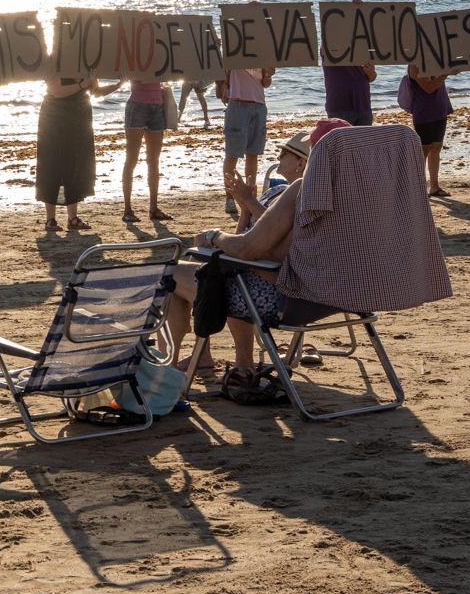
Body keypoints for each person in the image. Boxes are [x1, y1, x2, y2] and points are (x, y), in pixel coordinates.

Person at [167, 118, 348, 379]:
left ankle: (171, 365)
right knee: (224, 274)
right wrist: (246, 208)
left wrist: (213, 236)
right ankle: (223, 359)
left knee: (178, 274)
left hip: (289, 298)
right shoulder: (362, 195)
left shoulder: (302, 191)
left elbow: (251, 249)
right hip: (341, 294)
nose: (279, 156)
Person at [36, 75, 120, 233]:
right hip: (54, 115)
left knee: (76, 163)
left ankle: (72, 217)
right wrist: (83, 84)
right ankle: (50, 219)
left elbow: (94, 91)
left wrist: (118, 85)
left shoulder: (84, 63)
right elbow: (56, 90)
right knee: (51, 162)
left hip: (79, 114)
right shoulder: (54, 61)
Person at [218, 66, 274, 218]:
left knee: (253, 153)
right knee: (232, 154)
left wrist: (267, 74)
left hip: (259, 105)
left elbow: (265, 83)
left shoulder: (262, 55)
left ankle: (250, 197)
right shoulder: (235, 50)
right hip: (238, 103)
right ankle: (230, 198)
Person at [121, 79, 173, 223]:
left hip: (157, 104)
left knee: (153, 160)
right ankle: (127, 210)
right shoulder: (135, 55)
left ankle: (153, 208)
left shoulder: (160, 56)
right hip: (137, 105)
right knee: (132, 158)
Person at [402, 63, 454, 198]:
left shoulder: (436, 60)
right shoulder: (415, 65)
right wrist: (445, 74)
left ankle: (434, 187)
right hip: (424, 112)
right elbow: (428, 88)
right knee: (424, 150)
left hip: (439, 110)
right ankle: (420, 188)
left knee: (436, 147)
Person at [322, 63, 377, 127]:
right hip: (339, 106)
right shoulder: (329, 54)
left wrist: (371, 73)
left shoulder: (364, 54)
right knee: (343, 137)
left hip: (364, 105)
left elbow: (371, 78)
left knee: (364, 136)